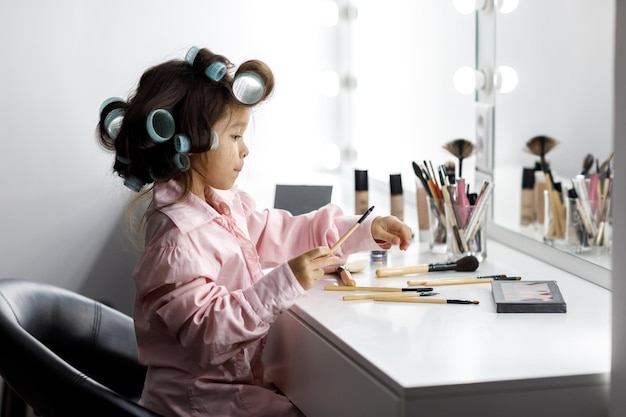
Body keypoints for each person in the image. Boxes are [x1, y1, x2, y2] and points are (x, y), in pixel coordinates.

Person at [97, 46, 412, 417]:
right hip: (197, 404)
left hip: (229, 387)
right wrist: (284, 281)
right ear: (190, 143)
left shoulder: (226, 205)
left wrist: (361, 230)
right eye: (234, 137)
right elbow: (208, 334)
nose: (245, 150)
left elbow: (285, 232)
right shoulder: (177, 240)